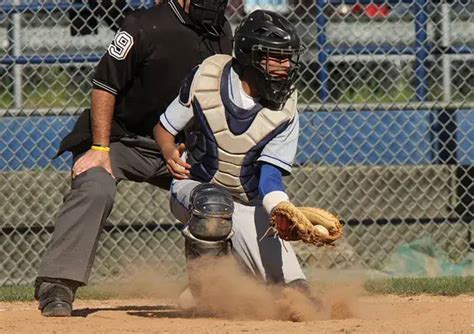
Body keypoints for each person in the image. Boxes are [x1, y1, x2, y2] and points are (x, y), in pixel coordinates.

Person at [35, 0, 232, 317]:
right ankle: (57, 283)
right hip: (124, 139)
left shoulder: (220, 28)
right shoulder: (143, 24)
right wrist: (99, 149)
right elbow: (104, 86)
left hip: (180, 147)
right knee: (95, 186)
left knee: (220, 196)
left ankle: (211, 288)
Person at [155, 10, 313, 306]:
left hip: (247, 203)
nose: (286, 66)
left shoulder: (285, 110)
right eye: (276, 57)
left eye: (289, 58)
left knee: (297, 297)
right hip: (194, 188)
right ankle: (206, 289)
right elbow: (165, 127)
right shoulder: (208, 79)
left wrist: (282, 210)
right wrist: (167, 150)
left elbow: (269, 176)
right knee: (213, 205)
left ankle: (238, 274)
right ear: (249, 56)